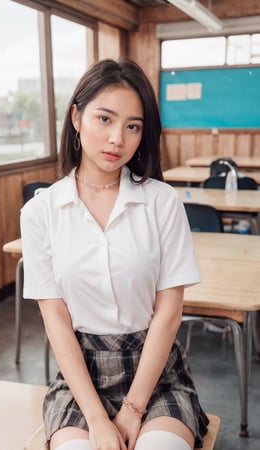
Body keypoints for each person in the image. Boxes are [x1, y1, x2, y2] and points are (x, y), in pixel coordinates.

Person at [20, 57, 209, 450]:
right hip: (81, 379)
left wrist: (134, 409)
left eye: (133, 126)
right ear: (76, 117)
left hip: (155, 374)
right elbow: (55, 322)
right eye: (104, 119)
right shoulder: (40, 212)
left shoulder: (163, 202)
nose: (117, 140)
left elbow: (169, 314)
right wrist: (96, 419)